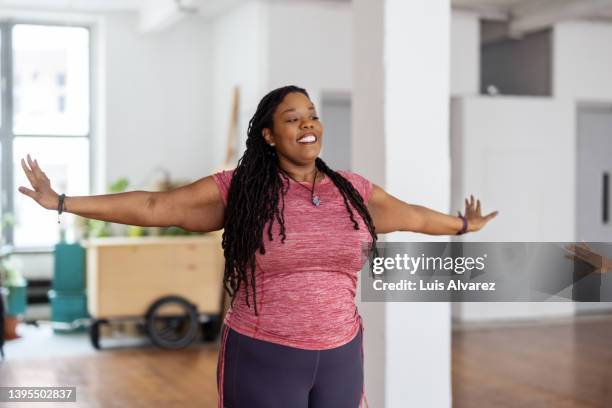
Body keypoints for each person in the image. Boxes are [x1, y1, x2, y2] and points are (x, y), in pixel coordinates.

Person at [18, 85, 498, 408]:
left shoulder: (352, 191)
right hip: (264, 355)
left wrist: (460, 225)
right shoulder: (240, 190)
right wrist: (61, 201)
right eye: (293, 119)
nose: (308, 124)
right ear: (269, 135)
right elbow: (153, 205)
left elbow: (412, 215)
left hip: (341, 353)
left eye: (312, 115)